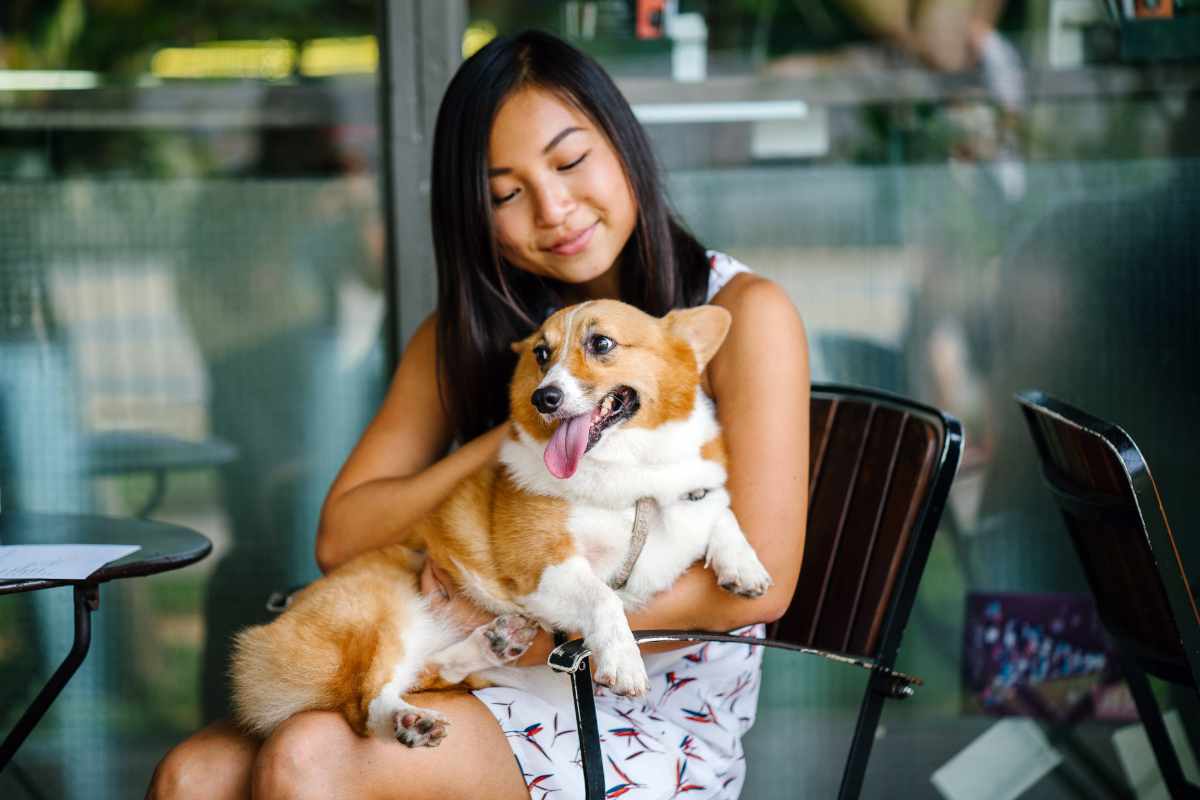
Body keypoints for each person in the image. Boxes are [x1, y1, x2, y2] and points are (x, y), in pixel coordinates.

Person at [148, 29, 809, 800]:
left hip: (641, 703)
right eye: (506, 193)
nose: (554, 208)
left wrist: (525, 637)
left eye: (569, 162)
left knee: (308, 759)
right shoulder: (473, 335)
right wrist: (539, 419)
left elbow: (761, 584)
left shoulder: (738, 312)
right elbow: (342, 536)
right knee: (189, 778)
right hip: (470, 659)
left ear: (623, 144)